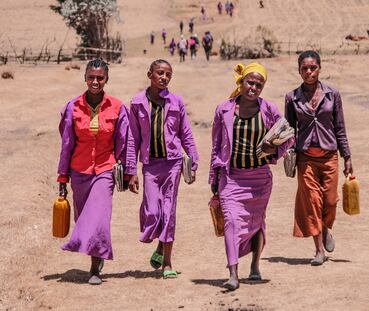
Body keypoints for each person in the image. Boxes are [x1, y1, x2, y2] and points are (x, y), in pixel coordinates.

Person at [209, 63, 294, 291]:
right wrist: (214, 180)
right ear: (242, 82)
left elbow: (288, 136)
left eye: (259, 84)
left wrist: (272, 149)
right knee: (231, 221)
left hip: (260, 179)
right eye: (250, 82)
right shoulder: (224, 109)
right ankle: (233, 273)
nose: (254, 87)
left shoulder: (269, 110)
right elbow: (216, 147)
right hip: (232, 177)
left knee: (256, 223)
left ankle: (255, 265)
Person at [57, 58, 137, 285]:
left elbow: (126, 141)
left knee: (99, 218)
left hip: (105, 169)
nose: (95, 81)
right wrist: (63, 176)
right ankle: (96, 256)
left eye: (99, 78)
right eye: (91, 77)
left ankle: (94, 269)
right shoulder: (72, 107)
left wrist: (130, 172)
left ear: (106, 79)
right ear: (84, 78)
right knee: (84, 217)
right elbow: (66, 143)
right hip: (79, 170)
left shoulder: (118, 107)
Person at [129, 59, 199, 279]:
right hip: (150, 165)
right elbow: (132, 138)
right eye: (160, 73)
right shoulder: (137, 103)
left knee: (168, 211)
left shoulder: (177, 102)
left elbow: (185, 133)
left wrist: (193, 161)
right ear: (150, 74)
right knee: (152, 210)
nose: (164, 77)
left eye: (168, 74)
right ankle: (159, 244)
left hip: (173, 163)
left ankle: (167, 262)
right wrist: (131, 170)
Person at [284, 50, 353, 266]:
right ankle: (319, 250)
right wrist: (290, 154)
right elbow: (289, 131)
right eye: (304, 68)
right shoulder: (292, 98)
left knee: (330, 202)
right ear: (299, 70)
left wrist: (347, 156)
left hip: (330, 156)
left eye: (312, 67)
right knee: (312, 202)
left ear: (319, 68)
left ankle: (326, 229)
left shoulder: (333, 94)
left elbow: (340, 127)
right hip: (306, 158)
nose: (309, 72)